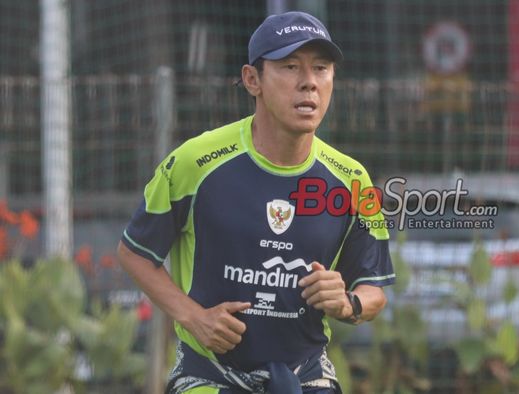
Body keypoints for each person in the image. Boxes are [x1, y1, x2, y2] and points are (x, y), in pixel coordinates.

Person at [117, 10, 395, 394]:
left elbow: (374, 289)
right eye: (290, 67)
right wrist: (194, 318)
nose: (309, 83)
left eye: (321, 68)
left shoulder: (352, 180)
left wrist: (347, 303)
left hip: (305, 376)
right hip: (210, 375)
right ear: (253, 80)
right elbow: (135, 252)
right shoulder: (195, 162)